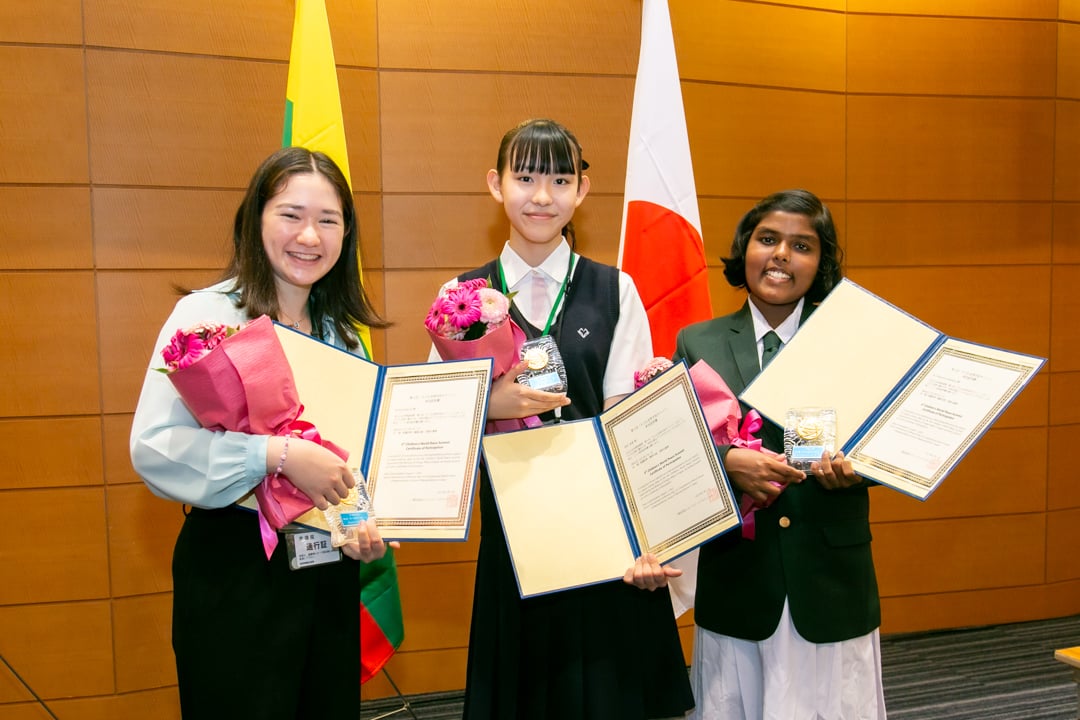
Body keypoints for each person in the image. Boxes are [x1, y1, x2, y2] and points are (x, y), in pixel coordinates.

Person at [429, 118, 694, 720]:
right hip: (513, 533)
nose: (541, 196)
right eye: (524, 178)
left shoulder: (615, 289)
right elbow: (436, 421)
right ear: (496, 185)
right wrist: (489, 404)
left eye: (559, 179)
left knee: (607, 699)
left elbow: (633, 423)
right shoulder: (461, 295)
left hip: (605, 538)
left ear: (583, 189)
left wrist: (646, 537)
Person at [129, 146, 391, 718]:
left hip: (327, 573)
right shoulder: (206, 320)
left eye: (329, 220)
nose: (310, 236)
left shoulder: (343, 336)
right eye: (291, 215)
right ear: (256, 218)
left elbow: (348, 466)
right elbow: (153, 447)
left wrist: (363, 523)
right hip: (235, 574)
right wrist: (273, 453)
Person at [673, 189, 887, 719]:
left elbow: (886, 442)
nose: (782, 255)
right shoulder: (698, 342)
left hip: (830, 575)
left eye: (802, 245)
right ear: (745, 248)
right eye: (768, 239)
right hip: (740, 577)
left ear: (822, 263)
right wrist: (726, 462)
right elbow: (674, 452)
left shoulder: (851, 339)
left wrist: (857, 471)